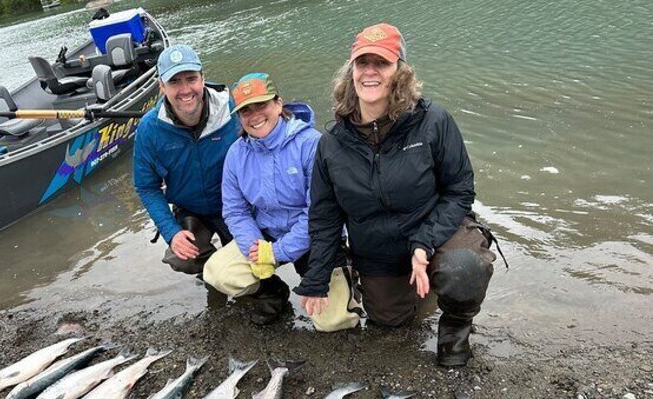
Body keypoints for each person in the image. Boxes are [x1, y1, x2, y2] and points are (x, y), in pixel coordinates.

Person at [295, 23, 501, 366]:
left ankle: (455, 324)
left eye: (382, 63)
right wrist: (316, 276)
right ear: (351, 72)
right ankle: (423, 287)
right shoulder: (331, 144)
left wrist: (424, 243)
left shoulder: (434, 122)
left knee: (462, 269)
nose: (371, 72)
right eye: (363, 63)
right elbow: (324, 216)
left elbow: (460, 190)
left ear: (400, 72)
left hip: (434, 227)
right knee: (391, 320)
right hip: (377, 247)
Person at [203, 72, 360, 329]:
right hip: (266, 233)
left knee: (334, 323)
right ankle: (272, 292)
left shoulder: (312, 144)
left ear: (278, 103)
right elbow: (235, 211)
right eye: (245, 111)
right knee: (217, 273)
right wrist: (256, 247)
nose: (254, 116)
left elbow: (319, 213)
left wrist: (277, 252)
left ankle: (349, 277)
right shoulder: (235, 153)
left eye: (261, 105)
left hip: (317, 237)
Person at [132, 44, 239, 275]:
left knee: (252, 259)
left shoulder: (231, 108)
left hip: (236, 205)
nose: (185, 89)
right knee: (182, 257)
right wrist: (171, 231)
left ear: (203, 78)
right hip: (191, 208)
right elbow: (146, 186)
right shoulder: (149, 129)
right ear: (161, 87)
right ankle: (212, 271)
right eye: (174, 82)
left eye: (191, 79)